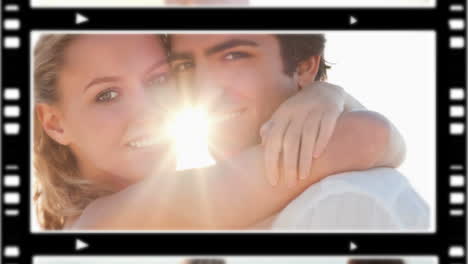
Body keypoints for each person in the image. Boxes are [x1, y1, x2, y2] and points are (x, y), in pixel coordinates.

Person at [33, 34, 404, 230]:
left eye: (160, 80)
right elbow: (369, 137)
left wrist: (327, 95)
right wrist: (325, 95)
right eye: (106, 95)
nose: (146, 109)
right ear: (55, 122)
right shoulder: (107, 221)